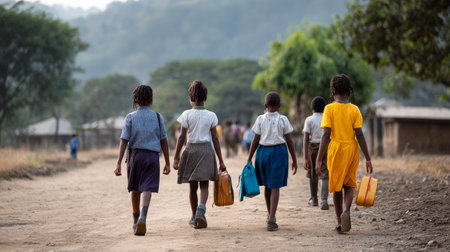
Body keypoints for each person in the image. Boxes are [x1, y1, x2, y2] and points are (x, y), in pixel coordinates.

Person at [316, 74, 373, 233]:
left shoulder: (329, 109)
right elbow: (360, 135)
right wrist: (368, 158)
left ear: (332, 92)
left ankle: (340, 221)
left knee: (336, 187)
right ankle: (347, 211)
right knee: (349, 183)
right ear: (349, 92)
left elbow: (326, 135)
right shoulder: (354, 109)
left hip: (336, 150)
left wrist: (319, 159)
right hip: (352, 150)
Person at [114, 84, 170, 236]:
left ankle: (135, 219)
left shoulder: (130, 117)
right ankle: (143, 217)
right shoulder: (158, 117)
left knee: (134, 187)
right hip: (152, 157)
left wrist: (118, 162)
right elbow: (164, 140)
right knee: (147, 187)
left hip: (135, 156)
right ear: (151, 100)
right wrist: (167, 162)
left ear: (135, 100)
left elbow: (124, 140)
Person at [173, 80, 226, 229]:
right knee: (204, 185)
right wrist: (221, 161)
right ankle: (201, 210)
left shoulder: (186, 114)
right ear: (205, 98)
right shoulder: (211, 115)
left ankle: (194, 216)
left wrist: (176, 157)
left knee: (192, 187)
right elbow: (215, 139)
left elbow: (182, 138)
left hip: (190, 151)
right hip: (206, 151)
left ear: (191, 98)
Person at [247, 91, 298, 231]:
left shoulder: (260, 119)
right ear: (279, 106)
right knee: (275, 186)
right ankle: (271, 218)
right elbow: (289, 141)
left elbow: (255, 140)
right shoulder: (283, 119)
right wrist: (294, 159)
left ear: (265, 105)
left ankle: (270, 214)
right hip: (278, 153)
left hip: (263, 153)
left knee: (268, 187)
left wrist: (249, 158)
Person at [303, 96, 329, 210]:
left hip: (313, 148)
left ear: (312, 107)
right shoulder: (327, 118)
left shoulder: (309, 119)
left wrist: (305, 158)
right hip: (327, 146)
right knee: (325, 174)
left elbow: (306, 139)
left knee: (313, 173)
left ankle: (314, 199)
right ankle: (324, 199)